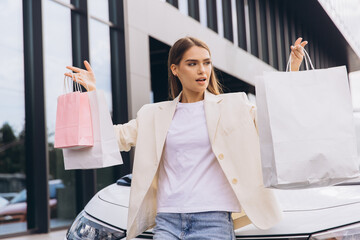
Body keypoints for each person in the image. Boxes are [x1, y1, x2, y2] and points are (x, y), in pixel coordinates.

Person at [65, 37, 307, 240]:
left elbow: (274, 120)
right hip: (167, 221)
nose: (202, 70)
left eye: (207, 63)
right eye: (192, 64)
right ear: (175, 69)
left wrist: (292, 71)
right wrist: (93, 95)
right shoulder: (154, 115)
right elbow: (113, 137)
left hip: (214, 221)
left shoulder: (236, 105)